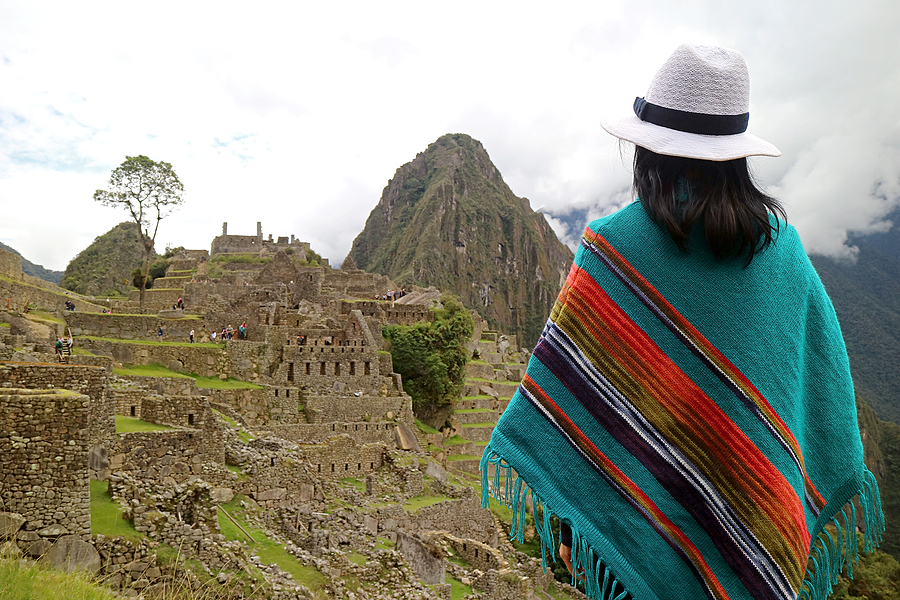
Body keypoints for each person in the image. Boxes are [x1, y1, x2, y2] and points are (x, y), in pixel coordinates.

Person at [480, 44, 884, 600]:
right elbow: (825, 398)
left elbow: (571, 406)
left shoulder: (612, 250)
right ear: (737, 155)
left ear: (649, 151)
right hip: (758, 536)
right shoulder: (784, 253)